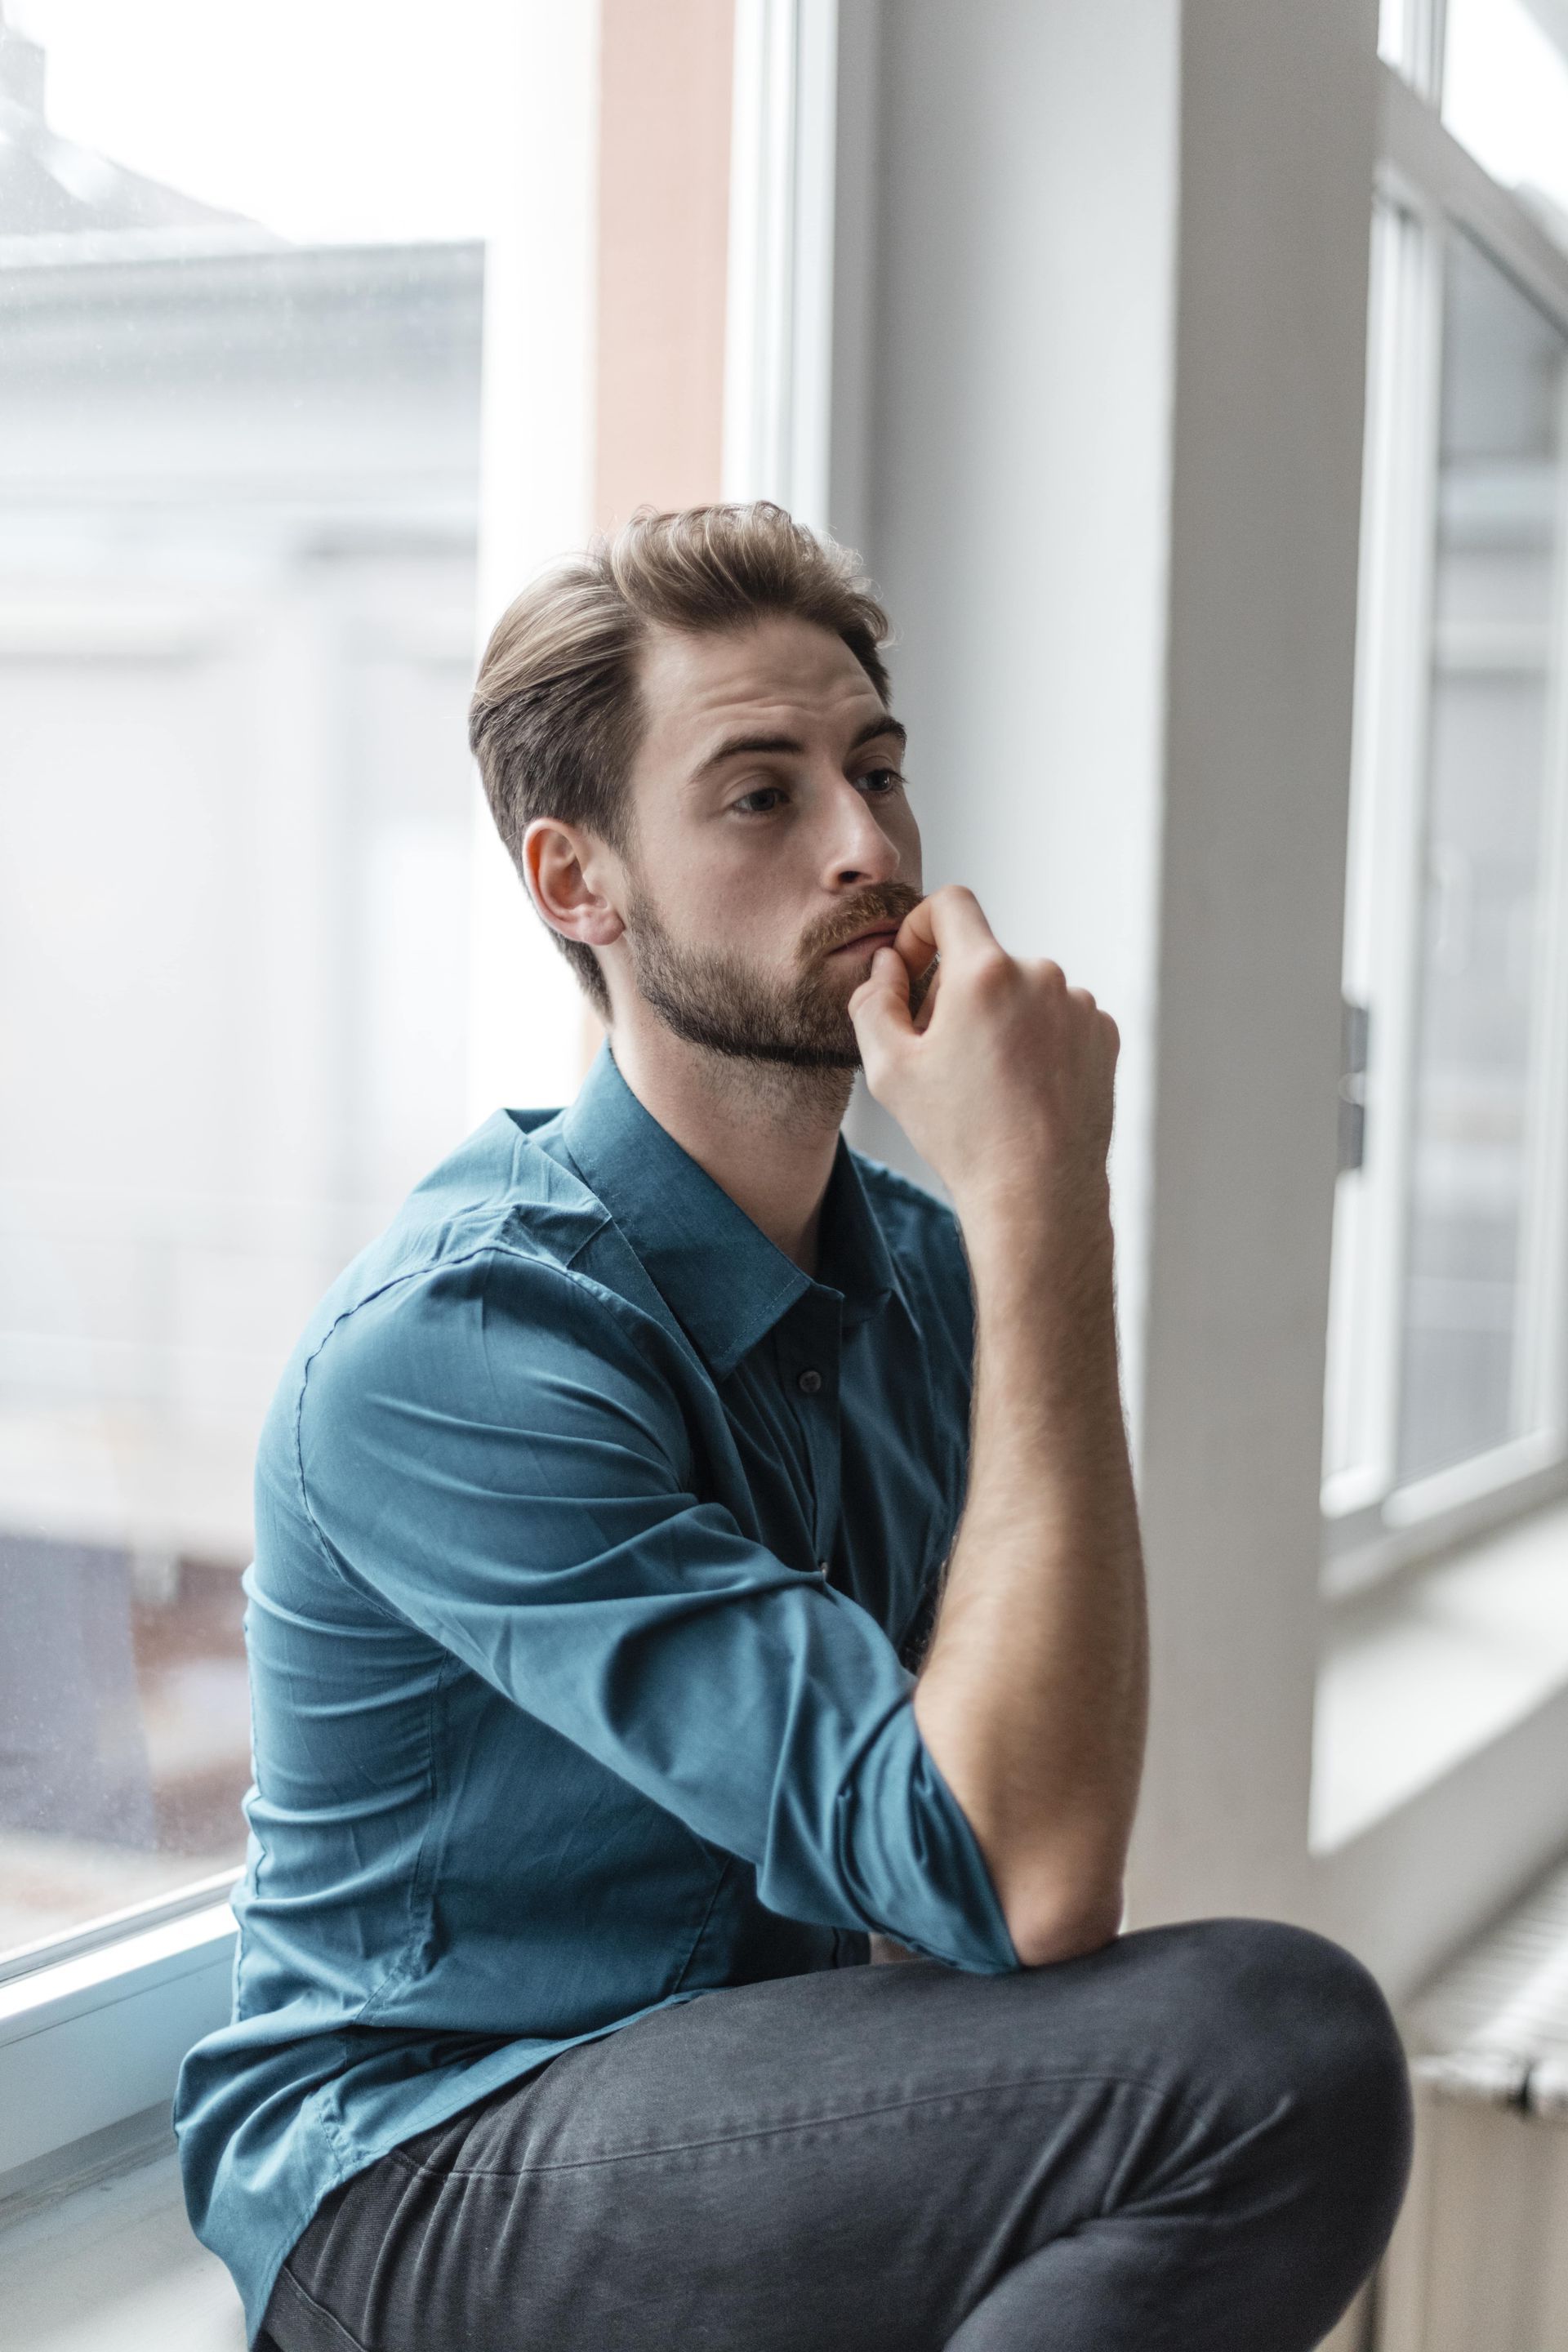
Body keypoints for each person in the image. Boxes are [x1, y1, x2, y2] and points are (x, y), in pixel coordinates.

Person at [176, 503, 1412, 2352]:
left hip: (739, 2102)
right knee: (1274, 2058)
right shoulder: (461, 1346)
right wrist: (1048, 1195)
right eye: (760, 796)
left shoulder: (913, 1264)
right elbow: (1028, 1871)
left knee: (1219, 2082)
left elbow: (989, 1890)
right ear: (575, 883)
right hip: (415, 2171)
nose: (868, 848)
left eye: (880, 770)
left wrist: (1004, 1233)